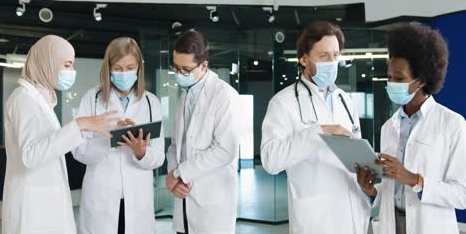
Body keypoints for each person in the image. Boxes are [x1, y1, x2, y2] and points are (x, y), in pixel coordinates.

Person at [261, 21, 371, 233]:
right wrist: (318, 132)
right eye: (323, 56)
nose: (332, 62)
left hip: (352, 213)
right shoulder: (283, 102)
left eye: (336, 55)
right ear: (304, 59)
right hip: (315, 218)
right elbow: (270, 160)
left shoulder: (345, 101)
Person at [2, 35, 120, 234]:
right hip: (33, 210)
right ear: (48, 62)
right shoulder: (24, 100)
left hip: (44, 205)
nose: (71, 72)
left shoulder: (40, 100)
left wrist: (82, 129)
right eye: (67, 65)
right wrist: (79, 125)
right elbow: (31, 156)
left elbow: (48, 146)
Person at [356, 23, 466, 234]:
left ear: (422, 80)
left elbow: (462, 194)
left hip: (429, 226)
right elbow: (391, 188)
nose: (391, 83)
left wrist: (415, 179)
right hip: (392, 224)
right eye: (389, 77)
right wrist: (371, 189)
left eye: (399, 78)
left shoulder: (452, 124)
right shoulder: (389, 126)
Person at [72, 37, 165, 234]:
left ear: (139, 67)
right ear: (108, 68)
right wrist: (112, 139)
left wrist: (141, 153)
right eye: (118, 68)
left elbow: (158, 157)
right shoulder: (92, 99)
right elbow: (79, 152)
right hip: (101, 198)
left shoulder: (151, 103)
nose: (125, 73)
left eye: (130, 67)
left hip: (138, 199)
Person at [165, 31, 241, 234]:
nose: (179, 74)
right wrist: (173, 175)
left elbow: (225, 150)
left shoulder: (225, 95)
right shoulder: (184, 97)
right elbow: (175, 145)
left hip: (212, 207)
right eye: (176, 68)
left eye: (186, 69)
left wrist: (180, 173)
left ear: (204, 65)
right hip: (184, 200)